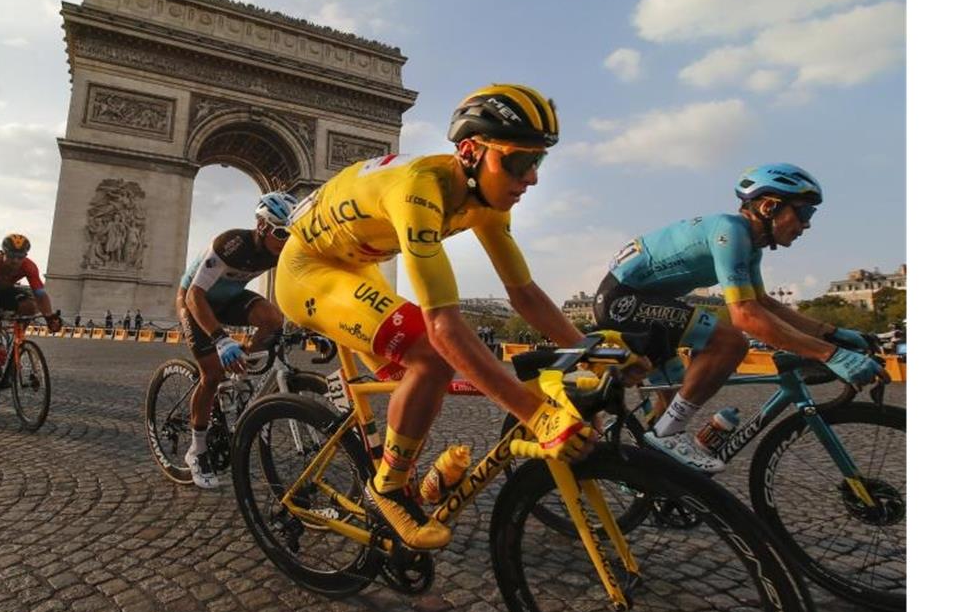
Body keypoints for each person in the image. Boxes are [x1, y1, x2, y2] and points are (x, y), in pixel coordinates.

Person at [276, 83, 596, 550]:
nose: (532, 178)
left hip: (357, 263)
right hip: (309, 271)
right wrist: (535, 413)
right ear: (470, 150)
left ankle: (412, 482)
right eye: (519, 161)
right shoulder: (419, 190)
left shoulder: (486, 201)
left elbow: (523, 293)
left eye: (538, 162)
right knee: (430, 354)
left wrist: (588, 351)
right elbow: (444, 327)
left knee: (420, 376)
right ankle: (387, 487)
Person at [592, 163, 889, 473]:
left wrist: (832, 333)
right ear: (769, 206)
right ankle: (665, 436)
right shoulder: (730, 232)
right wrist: (830, 354)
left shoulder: (749, 246)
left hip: (643, 301)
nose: (806, 226)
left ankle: (654, 481)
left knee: (674, 401)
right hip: (623, 301)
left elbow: (764, 303)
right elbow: (745, 315)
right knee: (729, 342)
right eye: (804, 214)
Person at [177, 191, 299, 488]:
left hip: (230, 298)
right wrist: (220, 339)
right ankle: (197, 448)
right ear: (262, 227)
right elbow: (195, 295)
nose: (287, 242)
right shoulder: (229, 244)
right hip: (196, 301)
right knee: (212, 374)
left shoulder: (281, 248)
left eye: (292, 234)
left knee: (273, 319)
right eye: (282, 233)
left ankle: (241, 361)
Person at [0, 234, 62, 412]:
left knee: (28, 306)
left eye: (20, 257)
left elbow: (40, 294)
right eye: (12, 256)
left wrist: (49, 316)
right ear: (2, 253)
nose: (16, 261)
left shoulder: (29, 266)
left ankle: (17, 343)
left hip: (3, 290)